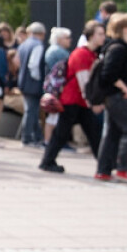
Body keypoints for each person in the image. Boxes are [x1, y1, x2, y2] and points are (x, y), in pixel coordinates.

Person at [39, 21, 104, 173]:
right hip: (73, 100)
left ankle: (104, 164)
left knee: (92, 133)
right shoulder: (82, 54)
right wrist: (92, 102)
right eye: (100, 34)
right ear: (91, 36)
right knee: (64, 133)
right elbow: (84, 82)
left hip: (78, 101)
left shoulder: (90, 54)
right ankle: (47, 161)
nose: (103, 37)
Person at [94, 13, 127, 183]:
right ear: (125, 28)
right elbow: (108, 74)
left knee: (112, 133)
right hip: (115, 95)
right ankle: (124, 169)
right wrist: (124, 87)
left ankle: (104, 170)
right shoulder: (119, 48)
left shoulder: (121, 47)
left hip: (113, 95)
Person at [16, 22, 47, 147]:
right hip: (33, 83)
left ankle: (36, 136)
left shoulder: (23, 44)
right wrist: (39, 80)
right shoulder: (38, 45)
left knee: (31, 110)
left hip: (23, 81)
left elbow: (17, 62)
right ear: (42, 33)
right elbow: (33, 65)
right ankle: (28, 137)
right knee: (31, 111)